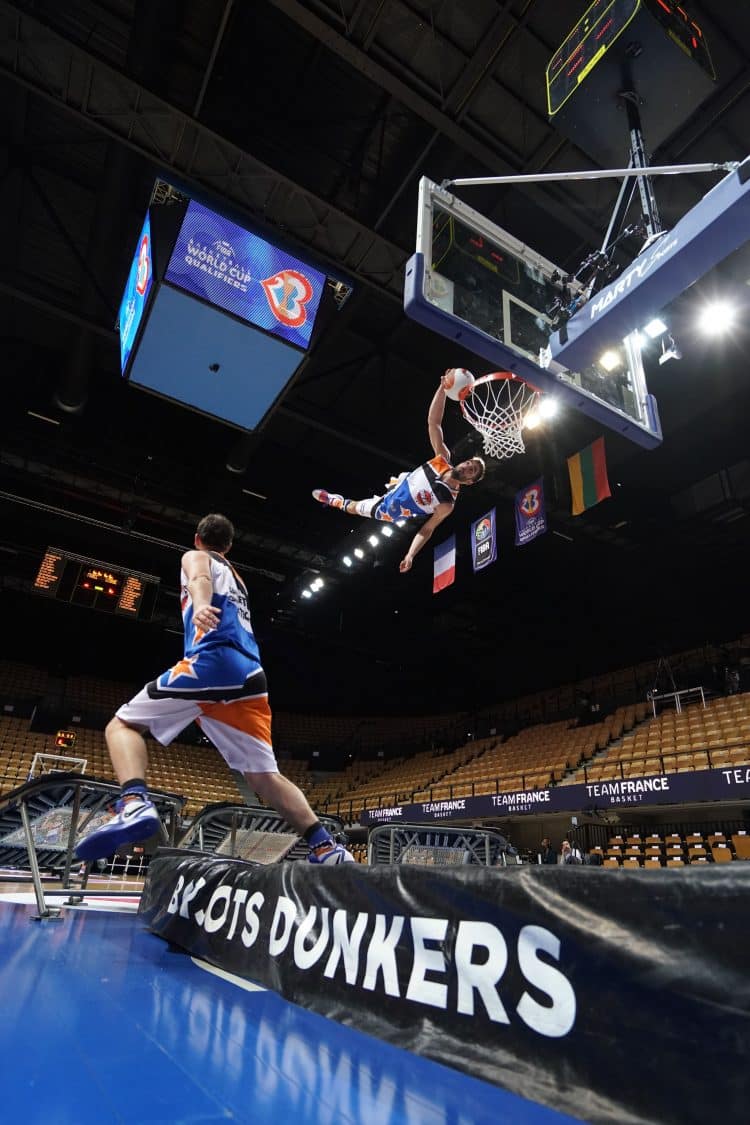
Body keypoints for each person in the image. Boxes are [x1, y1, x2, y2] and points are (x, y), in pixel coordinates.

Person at [75, 513, 353, 865]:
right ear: (230, 546)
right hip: (249, 675)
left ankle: (133, 803)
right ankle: (326, 848)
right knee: (264, 776)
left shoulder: (196, 557)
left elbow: (199, 577)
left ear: (197, 539)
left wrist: (203, 604)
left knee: (122, 725)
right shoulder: (239, 580)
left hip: (214, 663)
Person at [312, 372, 485, 572]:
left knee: (354, 508)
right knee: (399, 478)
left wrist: (410, 555)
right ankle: (340, 500)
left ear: (469, 481)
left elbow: (427, 529)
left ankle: (336, 501)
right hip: (402, 483)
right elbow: (434, 423)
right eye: (469, 463)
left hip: (392, 509)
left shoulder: (447, 503)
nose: (466, 467)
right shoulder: (442, 459)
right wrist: (443, 389)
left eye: (471, 470)